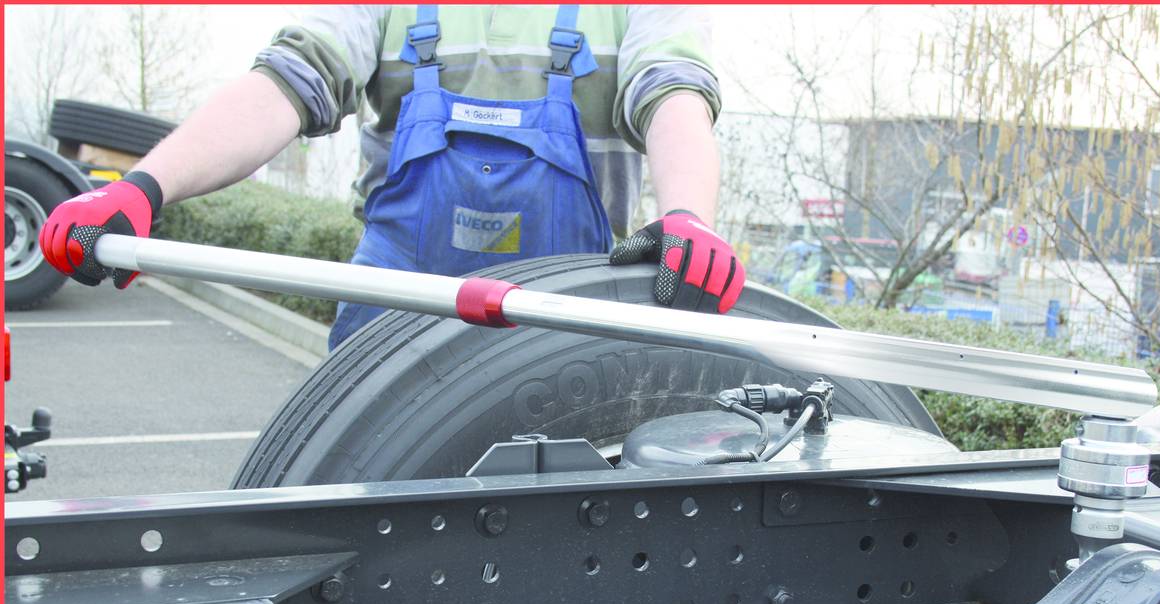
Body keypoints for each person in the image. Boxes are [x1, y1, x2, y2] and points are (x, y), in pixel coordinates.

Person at [39, 5, 745, 350]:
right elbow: (288, 80)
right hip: (390, 315)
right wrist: (143, 186)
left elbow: (672, 91)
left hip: (562, 330)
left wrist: (688, 215)